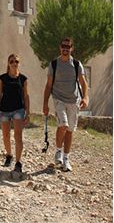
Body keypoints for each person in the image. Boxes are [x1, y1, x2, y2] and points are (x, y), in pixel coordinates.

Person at [43, 37, 89, 172]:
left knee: (70, 131)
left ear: (72, 48)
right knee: (63, 125)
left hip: (74, 101)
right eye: (63, 46)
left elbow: (83, 82)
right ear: (60, 47)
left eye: (68, 47)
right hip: (59, 99)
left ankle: (66, 158)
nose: (65, 49)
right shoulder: (54, 64)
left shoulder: (76, 64)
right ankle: (58, 150)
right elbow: (48, 85)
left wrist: (85, 97)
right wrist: (45, 104)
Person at [0, 54, 29, 174]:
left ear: (19, 63)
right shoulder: (3, 78)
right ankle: (9, 155)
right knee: (6, 136)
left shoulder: (23, 79)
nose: (14, 63)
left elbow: (26, 96)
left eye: (16, 61)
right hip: (4, 110)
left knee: (18, 136)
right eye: (12, 61)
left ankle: (18, 162)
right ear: (8, 63)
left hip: (18, 110)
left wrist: (28, 113)